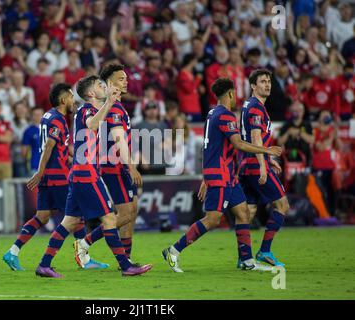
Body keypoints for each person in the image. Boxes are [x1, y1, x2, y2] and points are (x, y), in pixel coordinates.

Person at [34, 75, 152, 278]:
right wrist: (109, 102)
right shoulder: (87, 110)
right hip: (87, 174)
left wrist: (111, 102)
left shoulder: (91, 110)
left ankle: (44, 264)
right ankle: (126, 266)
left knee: (69, 222)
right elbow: (92, 125)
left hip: (80, 173)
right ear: (91, 93)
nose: (103, 86)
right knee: (108, 218)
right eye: (100, 85)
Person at [162, 78, 282, 273]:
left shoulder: (212, 113)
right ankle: (174, 250)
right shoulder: (225, 116)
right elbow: (238, 144)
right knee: (213, 219)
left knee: (243, 213)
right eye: (234, 93)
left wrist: (204, 177)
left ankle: (247, 260)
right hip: (220, 174)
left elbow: (209, 147)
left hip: (227, 175)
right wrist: (266, 151)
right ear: (231, 94)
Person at [3, 83, 106, 271]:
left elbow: (57, 148)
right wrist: (40, 171)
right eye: (70, 97)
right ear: (63, 99)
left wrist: (71, 158)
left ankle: (13, 251)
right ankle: (84, 259)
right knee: (76, 217)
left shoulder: (47, 115)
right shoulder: (58, 120)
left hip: (48, 176)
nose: (73, 101)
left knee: (42, 216)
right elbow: (49, 146)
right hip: (57, 176)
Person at [74, 65, 143, 268]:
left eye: (125, 77)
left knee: (132, 211)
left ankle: (127, 256)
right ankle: (85, 243)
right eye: (121, 79)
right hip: (114, 166)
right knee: (126, 213)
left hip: (118, 164)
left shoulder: (117, 107)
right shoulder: (113, 108)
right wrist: (130, 166)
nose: (126, 81)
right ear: (109, 84)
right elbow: (118, 138)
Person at [239, 69, 290, 267]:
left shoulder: (250, 105)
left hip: (247, 163)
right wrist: (263, 164)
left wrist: (268, 159)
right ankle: (264, 251)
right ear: (253, 85)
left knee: (248, 212)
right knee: (282, 205)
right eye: (262, 81)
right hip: (255, 164)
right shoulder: (256, 108)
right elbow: (255, 137)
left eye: (268, 81)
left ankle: (244, 258)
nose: (267, 84)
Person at [312, 110, 342, 215]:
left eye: (328, 115)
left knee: (333, 191)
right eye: (324, 115)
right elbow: (320, 147)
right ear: (319, 118)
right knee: (321, 192)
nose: (326, 117)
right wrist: (331, 137)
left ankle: (333, 213)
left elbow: (340, 148)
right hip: (318, 167)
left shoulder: (332, 131)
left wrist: (336, 136)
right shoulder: (315, 131)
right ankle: (322, 214)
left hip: (331, 167)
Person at [22, 107, 44, 176]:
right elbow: (23, 152)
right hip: (34, 166)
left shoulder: (51, 129)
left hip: (50, 166)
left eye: (40, 114)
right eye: (35, 114)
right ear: (32, 116)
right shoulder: (28, 131)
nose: (38, 117)